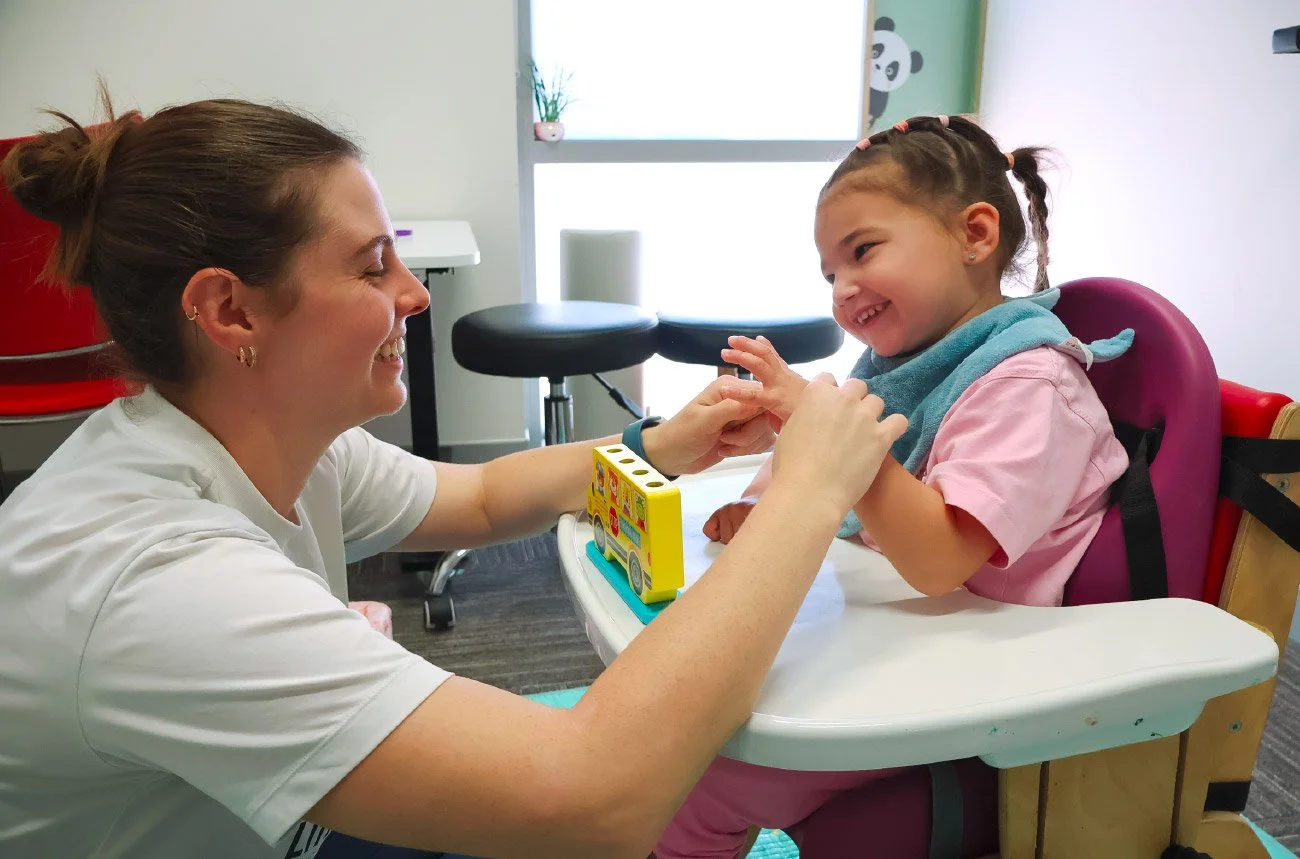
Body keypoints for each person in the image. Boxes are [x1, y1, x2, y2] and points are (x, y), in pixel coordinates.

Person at [0, 92, 909, 859]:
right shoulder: (152, 576)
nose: (416, 292)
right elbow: (593, 797)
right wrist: (807, 492)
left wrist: (663, 446)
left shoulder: (278, 441)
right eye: (372, 266)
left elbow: (479, 497)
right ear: (230, 311)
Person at [655, 115, 1132, 858]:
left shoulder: (1032, 386)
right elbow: (816, 473)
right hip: (905, 638)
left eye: (862, 251)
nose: (842, 290)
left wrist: (831, 434)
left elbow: (940, 559)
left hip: (985, 673)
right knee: (689, 705)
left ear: (975, 234)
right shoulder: (908, 364)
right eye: (828, 274)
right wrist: (759, 500)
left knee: (694, 773)